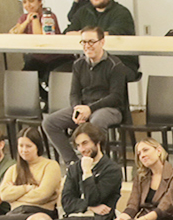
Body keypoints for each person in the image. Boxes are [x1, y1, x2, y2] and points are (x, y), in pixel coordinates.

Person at [42, 26, 131, 167]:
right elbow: (74, 93)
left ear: (102, 42)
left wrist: (90, 109)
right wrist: (77, 109)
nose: (87, 46)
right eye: (84, 42)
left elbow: (116, 97)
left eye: (91, 42)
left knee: (96, 123)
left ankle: (98, 164)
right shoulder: (79, 64)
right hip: (84, 107)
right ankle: (73, 163)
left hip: (109, 108)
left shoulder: (115, 65)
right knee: (50, 122)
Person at [52, 122, 124, 220]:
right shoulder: (74, 168)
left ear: (97, 142)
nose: (82, 149)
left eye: (85, 143)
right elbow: (66, 202)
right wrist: (89, 207)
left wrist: (87, 172)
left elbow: (93, 199)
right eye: (78, 145)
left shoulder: (112, 170)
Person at [63, 0, 138, 79]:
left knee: (100, 72)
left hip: (120, 61)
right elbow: (68, 33)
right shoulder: (83, 11)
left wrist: (82, 34)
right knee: (59, 71)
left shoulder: (121, 13)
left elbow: (110, 35)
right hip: (89, 61)